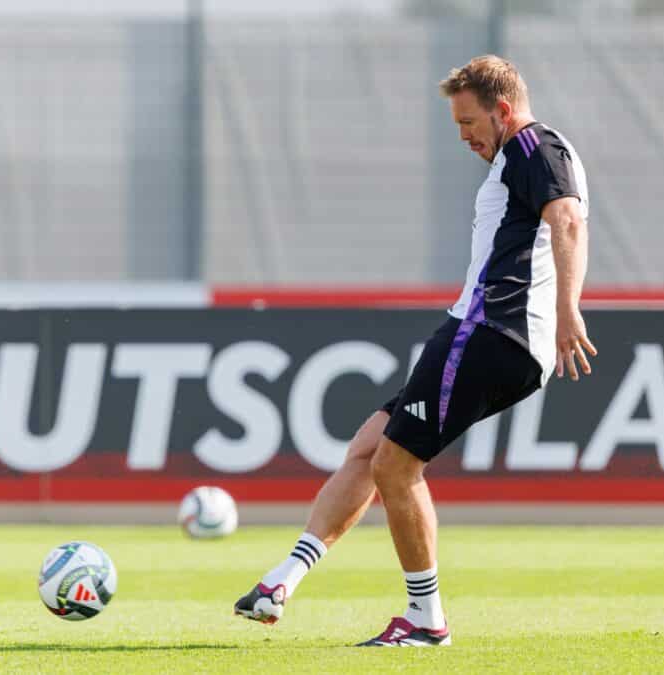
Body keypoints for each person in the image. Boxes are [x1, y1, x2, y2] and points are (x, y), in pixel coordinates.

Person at [235, 54, 596, 647]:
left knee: (396, 467)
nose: (463, 137)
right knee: (368, 451)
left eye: (468, 123)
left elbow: (568, 222)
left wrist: (567, 309)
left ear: (503, 110)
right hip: (484, 334)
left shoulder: (534, 147)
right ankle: (282, 581)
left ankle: (426, 621)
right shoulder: (523, 154)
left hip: (488, 331)